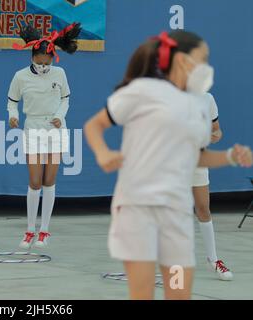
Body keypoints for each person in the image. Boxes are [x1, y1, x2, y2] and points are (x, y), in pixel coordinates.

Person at [84, 30, 252, 300]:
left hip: (175, 217)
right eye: (201, 59)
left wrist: (229, 156)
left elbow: (201, 149)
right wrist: (103, 154)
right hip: (140, 208)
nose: (205, 66)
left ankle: (214, 259)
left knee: (178, 292)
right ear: (180, 60)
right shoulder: (141, 92)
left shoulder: (203, 101)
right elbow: (94, 125)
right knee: (142, 293)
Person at [8, 23, 81, 249]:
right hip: (33, 127)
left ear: (53, 59)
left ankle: (44, 231)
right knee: (35, 181)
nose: (43, 65)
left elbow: (66, 98)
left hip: (55, 129)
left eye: (47, 61)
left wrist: (60, 115)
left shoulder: (60, 73)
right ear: (32, 57)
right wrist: (13, 116)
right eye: (39, 61)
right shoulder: (20, 77)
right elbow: (12, 101)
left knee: (50, 180)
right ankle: (30, 230)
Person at [193, 93, 233, 281]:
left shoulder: (207, 99)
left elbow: (217, 131)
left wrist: (209, 136)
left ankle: (214, 260)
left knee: (203, 209)